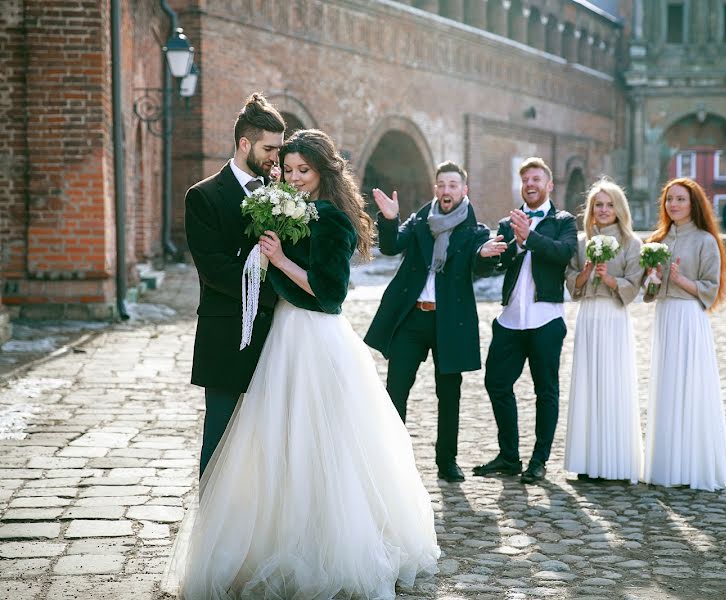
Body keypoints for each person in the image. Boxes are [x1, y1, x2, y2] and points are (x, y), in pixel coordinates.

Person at [169, 129, 440, 599]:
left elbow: (331, 294)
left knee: (325, 441)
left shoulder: (332, 219)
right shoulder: (281, 204)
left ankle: (334, 542)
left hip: (316, 338)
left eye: (304, 171)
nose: (294, 179)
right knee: (278, 438)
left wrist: (278, 261)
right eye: (288, 169)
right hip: (282, 336)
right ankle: (279, 535)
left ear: (322, 172)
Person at [364, 162, 506, 483]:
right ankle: (391, 458)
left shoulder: (474, 232)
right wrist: (389, 219)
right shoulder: (418, 222)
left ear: (463, 190)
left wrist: (484, 255)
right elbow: (390, 246)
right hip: (412, 317)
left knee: (449, 394)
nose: (446, 191)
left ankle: (447, 461)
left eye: (453, 185)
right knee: (396, 389)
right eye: (441, 185)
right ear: (435, 189)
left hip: (450, 322)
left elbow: (480, 260)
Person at [184, 92, 285, 478]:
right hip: (226, 332)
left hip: (276, 334)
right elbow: (214, 269)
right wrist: (272, 286)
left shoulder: (281, 195)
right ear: (245, 144)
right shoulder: (204, 196)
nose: (276, 157)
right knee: (220, 438)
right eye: (269, 148)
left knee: (268, 440)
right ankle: (213, 526)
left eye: (279, 148)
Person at [473, 157, 577, 484]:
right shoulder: (509, 222)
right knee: (496, 383)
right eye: (525, 180)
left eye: (536, 179)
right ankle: (509, 456)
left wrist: (530, 237)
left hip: (546, 318)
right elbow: (496, 265)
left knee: (546, 390)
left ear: (549, 185)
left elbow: (563, 254)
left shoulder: (564, 221)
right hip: (510, 318)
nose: (530, 184)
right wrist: (486, 254)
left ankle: (539, 459)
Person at [641, 177, 726, 492]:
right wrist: (653, 277)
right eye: (669, 199)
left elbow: (709, 288)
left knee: (690, 386)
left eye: (680, 199)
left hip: (689, 317)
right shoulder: (657, 240)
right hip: (665, 317)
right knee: (667, 385)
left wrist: (680, 279)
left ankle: (692, 462)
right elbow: (648, 292)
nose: (673, 205)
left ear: (693, 204)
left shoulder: (705, 241)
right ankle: (667, 464)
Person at [564, 178, 643, 483]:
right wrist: (584, 274)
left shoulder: (631, 244)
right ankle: (587, 459)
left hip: (613, 317)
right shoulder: (581, 243)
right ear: (591, 210)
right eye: (599, 204)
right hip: (589, 316)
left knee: (613, 383)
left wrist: (610, 280)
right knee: (588, 383)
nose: (605, 209)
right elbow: (571, 279)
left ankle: (616, 460)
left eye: (610, 204)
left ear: (619, 209)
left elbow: (633, 284)